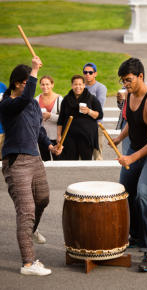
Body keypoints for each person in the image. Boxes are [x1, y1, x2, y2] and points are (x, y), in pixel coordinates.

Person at [0, 56, 62, 275]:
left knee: (43, 198)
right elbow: (25, 99)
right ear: (18, 83)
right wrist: (35, 70)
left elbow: (39, 131)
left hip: (35, 159)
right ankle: (28, 263)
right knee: (26, 211)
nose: (31, 87)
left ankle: (30, 230)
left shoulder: (33, 105)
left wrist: (50, 146)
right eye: (28, 82)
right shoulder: (7, 103)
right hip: (16, 162)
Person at [112, 58, 147, 272]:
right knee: (125, 190)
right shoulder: (129, 95)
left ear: (140, 76)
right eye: (123, 80)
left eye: (128, 80)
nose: (125, 84)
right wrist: (120, 138)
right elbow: (131, 121)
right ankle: (135, 236)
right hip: (135, 149)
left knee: (143, 193)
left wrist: (132, 158)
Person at [57, 75, 103, 160]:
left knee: (86, 161)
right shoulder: (66, 99)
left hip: (86, 136)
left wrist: (89, 111)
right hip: (69, 136)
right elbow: (61, 119)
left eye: (80, 84)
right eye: (75, 84)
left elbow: (99, 115)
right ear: (72, 85)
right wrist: (59, 136)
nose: (78, 87)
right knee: (70, 161)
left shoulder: (91, 98)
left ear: (84, 85)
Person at [83, 62, 107, 160]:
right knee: (83, 153)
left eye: (90, 72)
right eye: (85, 72)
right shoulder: (81, 87)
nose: (88, 74)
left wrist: (87, 109)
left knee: (97, 155)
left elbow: (99, 107)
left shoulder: (100, 88)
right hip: (83, 125)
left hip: (97, 125)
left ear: (95, 74)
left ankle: (99, 174)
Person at [35, 76, 63, 161]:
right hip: (42, 136)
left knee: (58, 162)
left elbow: (63, 119)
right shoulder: (36, 99)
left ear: (52, 85)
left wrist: (50, 116)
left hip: (56, 136)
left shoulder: (59, 99)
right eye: (42, 84)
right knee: (45, 162)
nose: (45, 87)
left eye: (47, 84)